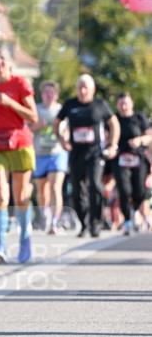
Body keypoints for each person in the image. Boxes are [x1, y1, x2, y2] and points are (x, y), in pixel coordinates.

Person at [0, 47, 38, 263]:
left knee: (20, 198)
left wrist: (10, 102)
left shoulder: (20, 84)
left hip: (20, 143)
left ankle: (24, 239)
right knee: (1, 195)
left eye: (2, 58)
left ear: (10, 62)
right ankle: (1, 245)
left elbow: (33, 116)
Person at [54, 75, 120, 238]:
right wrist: (62, 140)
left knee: (95, 187)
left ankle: (95, 223)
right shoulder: (70, 104)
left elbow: (114, 124)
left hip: (95, 154)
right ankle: (83, 223)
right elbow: (56, 123)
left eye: (86, 88)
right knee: (77, 191)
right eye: (80, 88)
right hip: (76, 154)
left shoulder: (100, 105)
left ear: (92, 90)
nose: (82, 91)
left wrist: (112, 144)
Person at [31, 80, 69, 234]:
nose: (49, 95)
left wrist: (65, 137)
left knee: (55, 186)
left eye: (51, 92)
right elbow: (27, 128)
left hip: (57, 152)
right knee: (41, 189)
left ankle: (55, 221)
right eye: (46, 92)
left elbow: (67, 130)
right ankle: (45, 213)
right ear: (42, 95)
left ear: (57, 95)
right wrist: (37, 126)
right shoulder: (36, 109)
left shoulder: (61, 110)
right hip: (39, 153)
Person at [113, 92, 151, 235]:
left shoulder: (139, 117)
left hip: (138, 159)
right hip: (121, 159)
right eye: (120, 103)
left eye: (126, 103)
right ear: (117, 105)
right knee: (124, 190)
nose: (123, 106)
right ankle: (128, 221)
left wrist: (140, 140)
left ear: (131, 104)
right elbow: (107, 136)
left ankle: (134, 210)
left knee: (140, 191)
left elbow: (149, 136)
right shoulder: (115, 119)